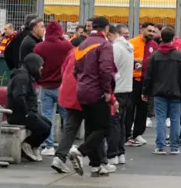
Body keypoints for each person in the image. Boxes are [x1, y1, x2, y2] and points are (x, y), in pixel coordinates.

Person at [69, 16, 117, 177]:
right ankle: (79, 151)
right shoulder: (104, 45)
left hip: (82, 90)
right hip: (97, 91)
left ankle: (96, 165)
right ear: (107, 28)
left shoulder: (83, 43)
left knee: (91, 128)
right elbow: (106, 70)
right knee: (104, 128)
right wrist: (108, 91)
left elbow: (76, 70)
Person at [142, 26, 181, 155]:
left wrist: (145, 92)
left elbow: (149, 75)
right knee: (175, 119)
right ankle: (174, 147)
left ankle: (160, 146)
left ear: (161, 38)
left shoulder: (155, 55)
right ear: (173, 39)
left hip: (159, 91)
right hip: (176, 91)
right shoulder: (179, 55)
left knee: (160, 119)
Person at [33, 20, 72, 155]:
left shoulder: (39, 47)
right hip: (62, 86)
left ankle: (49, 145)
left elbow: (36, 65)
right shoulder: (67, 46)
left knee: (46, 116)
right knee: (67, 117)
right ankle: (67, 144)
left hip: (45, 86)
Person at [7, 53, 51, 162]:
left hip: (27, 112)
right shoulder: (22, 77)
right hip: (19, 114)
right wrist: (26, 113)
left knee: (48, 124)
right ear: (34, 65)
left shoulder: (27, 76)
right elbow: (19, 96)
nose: (42, 68)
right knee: (44, 128)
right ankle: (28, 145)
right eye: (40, 65)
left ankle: (32, 146)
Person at [51, 37, 83, 175]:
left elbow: (63, 70)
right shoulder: (88, 53)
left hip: (68, 92)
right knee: (98, 128)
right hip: (83, 92)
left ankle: (60, 156)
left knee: (70, 127)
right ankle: (98, 161)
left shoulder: (71, 53)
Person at [127, 22, 160, 146]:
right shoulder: (132, 43)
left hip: (146, 82)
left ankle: (138, 134)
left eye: (153, 31)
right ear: (142, 30)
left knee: (143, 109)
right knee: (129, 108)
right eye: (149, 31)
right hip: (132, 80)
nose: (151, 33)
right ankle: (126, 134)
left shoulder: (154, 45)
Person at [108, 25, 133, 165]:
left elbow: (111, 68)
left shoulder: (116, 47)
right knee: (121, 123)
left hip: (117, 89)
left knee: (114, 123)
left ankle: (113, 154)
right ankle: (120, 152)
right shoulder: (128, 47)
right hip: (126, 89)